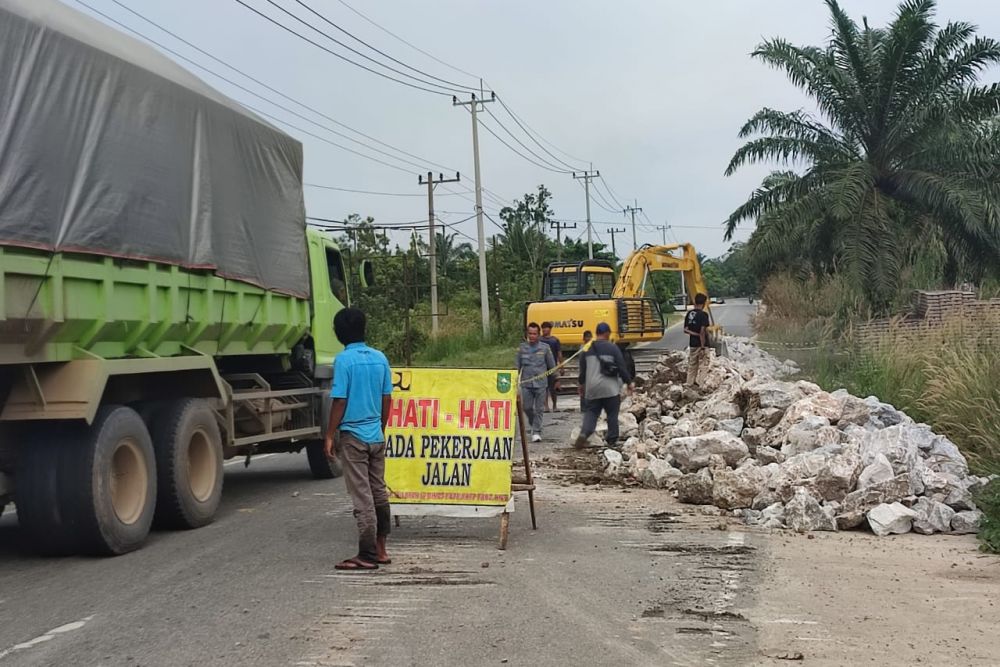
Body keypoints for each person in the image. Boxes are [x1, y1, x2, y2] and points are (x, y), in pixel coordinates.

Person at [323, 307, 394, 572]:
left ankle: (366, 554)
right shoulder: (380, 357)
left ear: (339, 333)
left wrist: (329, 435)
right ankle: (381, 548)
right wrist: (380, 427)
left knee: (362, 496)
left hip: (353, 437)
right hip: (376, 434)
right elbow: (387, 398)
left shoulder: (344, 360)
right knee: (379, 492)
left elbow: (340, 400)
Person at [574, 322, 633, 448]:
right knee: (612, 414)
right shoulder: (613, 348)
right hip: (610, 388)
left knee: (591, 412)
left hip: (592, 388)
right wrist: (629, 382)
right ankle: (612, 440)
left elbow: (583, 371)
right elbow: (622, 367)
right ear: (607, 333)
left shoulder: (587, 349)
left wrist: (581, 385)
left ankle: (585, 432)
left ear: (596, 333)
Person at [516, 322, 555, 443]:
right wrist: (514, 380)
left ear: (538, 335)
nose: (532, 336)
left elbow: (552, 366)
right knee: (527, 407)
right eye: (530, 333)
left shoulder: (545, 348)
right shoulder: (522, 348)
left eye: (534, 334)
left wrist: (555, 381)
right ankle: (534, 424)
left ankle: (536, 431)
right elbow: (517, 367)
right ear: (527, 334)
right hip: (526, 384)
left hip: (541, 384)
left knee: (539, 409)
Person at [684, 293, 711, 388]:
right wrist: (703, 346)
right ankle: (701, 384)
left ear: (695, 302)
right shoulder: (703, 315)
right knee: (704, 365)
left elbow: (685, 330)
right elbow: (702, 331)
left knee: (692, 364)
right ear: (704, 303)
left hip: (693, 344)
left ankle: (689, 383)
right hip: (702, 344)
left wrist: (694, 334)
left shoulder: (689, 314)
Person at [539, 321, 563, 411]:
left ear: (550, 329)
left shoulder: (555, 340)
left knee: (554, 387)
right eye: (543, 328)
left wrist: (561, 366)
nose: (544, 330)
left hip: (553, 367)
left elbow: (559, 353)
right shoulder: (539, 340)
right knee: (544, 387)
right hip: (542, 367)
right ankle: (546, 406)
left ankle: (555, 406)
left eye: (546, 328)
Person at [579, 330, 593, 412]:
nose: (588, 339)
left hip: (592, 372)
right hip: (584, 372)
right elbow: (582, 363)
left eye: (589, 337)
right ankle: (584, 408)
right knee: (583, 390)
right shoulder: (583, 348)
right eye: (587, 337)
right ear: (584, 338)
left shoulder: (593, 347)